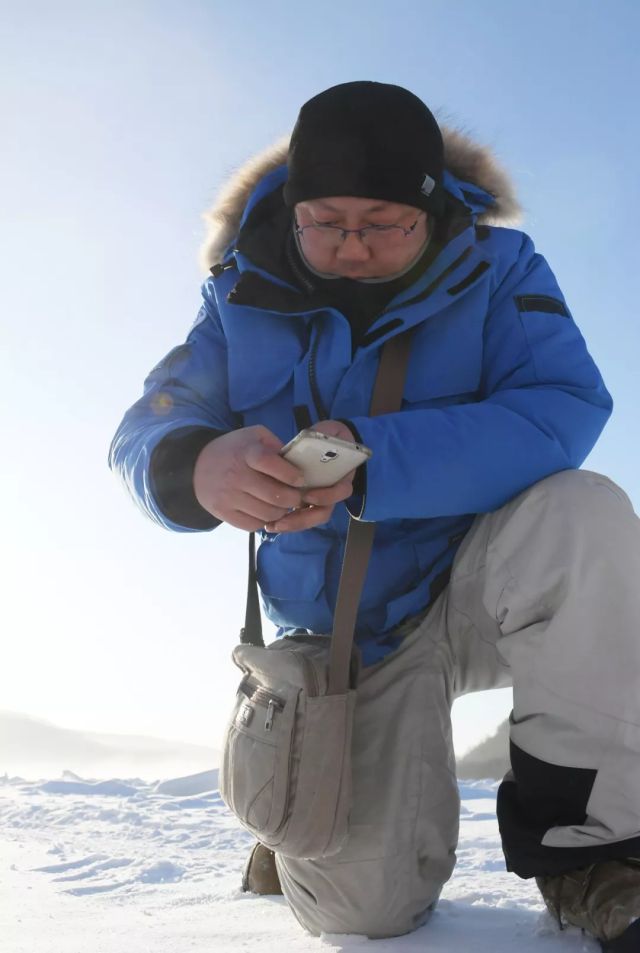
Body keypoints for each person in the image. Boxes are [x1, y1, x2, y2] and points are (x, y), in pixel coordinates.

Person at [109, 82, 640, 950]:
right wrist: (192, 463)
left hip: (478, 588)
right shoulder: (234, 294)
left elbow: (562, 406)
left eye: (384, 223)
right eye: (325, 221)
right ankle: (295, 824)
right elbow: (147, 426)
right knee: (365, 913)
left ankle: (596, 857)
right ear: (294, 207)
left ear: (430, 209)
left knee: (585, 518)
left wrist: (374, 459)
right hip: (346, 635)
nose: (351, 245)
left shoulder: (502, 268)